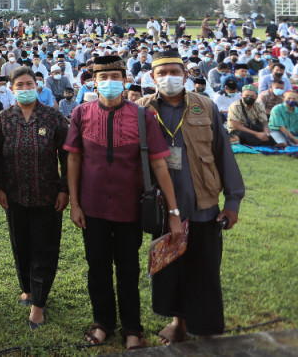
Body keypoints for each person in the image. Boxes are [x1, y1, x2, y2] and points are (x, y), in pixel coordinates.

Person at [65, 55, 184, 350]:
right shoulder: (81, 112)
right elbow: (73, 158)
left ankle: (133, 328)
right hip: (92, 207)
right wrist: (74, 204)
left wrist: (173, 212)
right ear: (94, 82)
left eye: (115, 77)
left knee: (128, 269)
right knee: (98, 267)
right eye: (102, 78)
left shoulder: (142, 116)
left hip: (131, 207)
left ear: (124, 80)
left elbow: (159, 165)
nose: (109, 83)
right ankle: (103, 322)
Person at [141, 49, 245, 345]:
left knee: (204, 269)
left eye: (175, 71)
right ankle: (178, 322)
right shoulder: (141, 109)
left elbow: (223, 154)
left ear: (185, 75)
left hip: (203, 205)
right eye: (162, 73)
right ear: (152, 76)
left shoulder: (206, 106)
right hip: (162, 208)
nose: (169, 77)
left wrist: (233, 201)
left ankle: (207, 328)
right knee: (170, 269)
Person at [0, 66, 70, 330]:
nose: (25, 89)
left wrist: (64, 189)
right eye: (20, 85)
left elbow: (67, 155)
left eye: (30, 84)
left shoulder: (53, 116)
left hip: (47, 195)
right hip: (14, 195)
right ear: (12, 88)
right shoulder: (5, 117)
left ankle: (38, 304)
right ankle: (27, 288)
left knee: (44, 248)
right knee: (21, 244)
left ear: (38, 86)